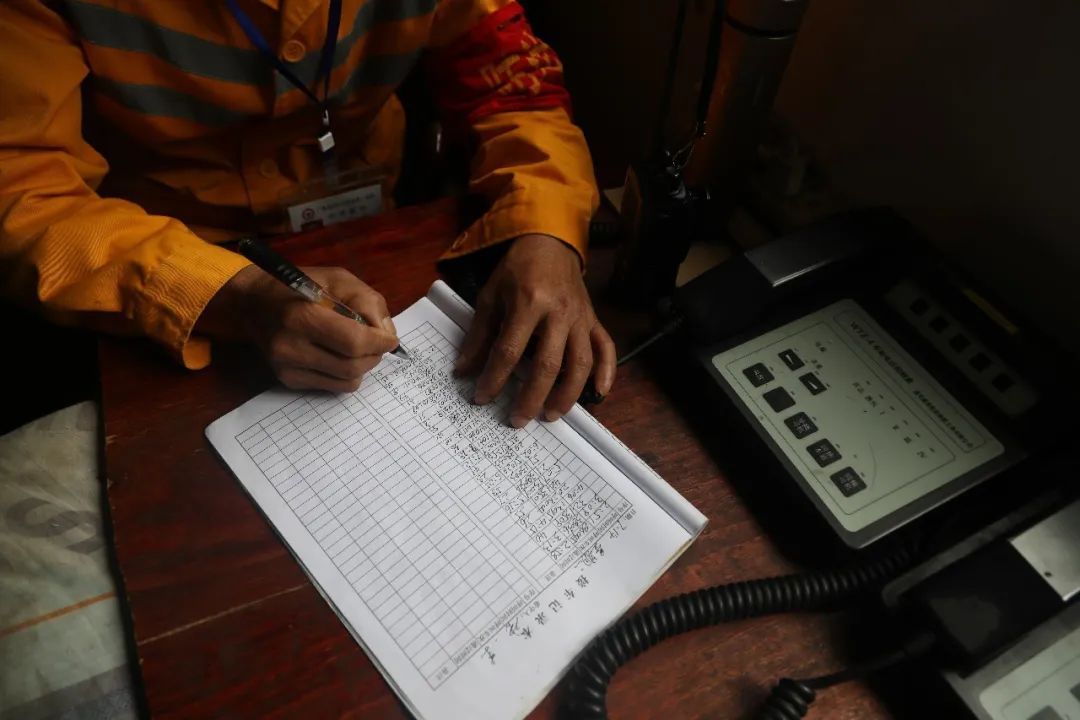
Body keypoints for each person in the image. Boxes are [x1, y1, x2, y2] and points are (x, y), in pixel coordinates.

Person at [0, 0, 616, 428]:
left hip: (376, 220)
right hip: (155, 252)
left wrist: (548, 227)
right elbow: (20, 189)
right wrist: (232, 296)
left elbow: (507, 82)